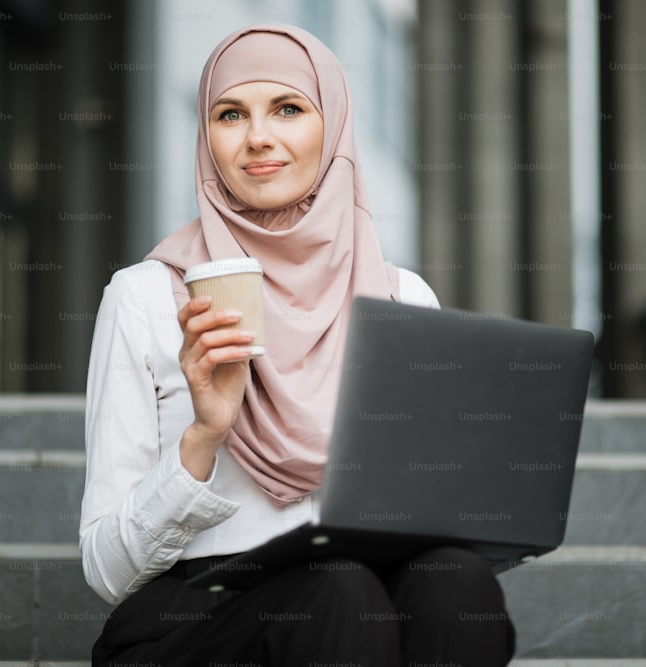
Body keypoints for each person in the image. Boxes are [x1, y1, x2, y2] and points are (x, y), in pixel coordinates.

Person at [80, 23, 516, 666]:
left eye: (288, 108)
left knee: (456, 582)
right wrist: (204, 434)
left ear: (332, 125)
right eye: (231, 114)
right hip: (200, 616)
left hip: (362, 593)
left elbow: (430, 515)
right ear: (207, 136)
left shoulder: (401, 301)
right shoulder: (145, 298)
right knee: (336, 590)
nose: (259, 137)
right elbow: (107, 571)